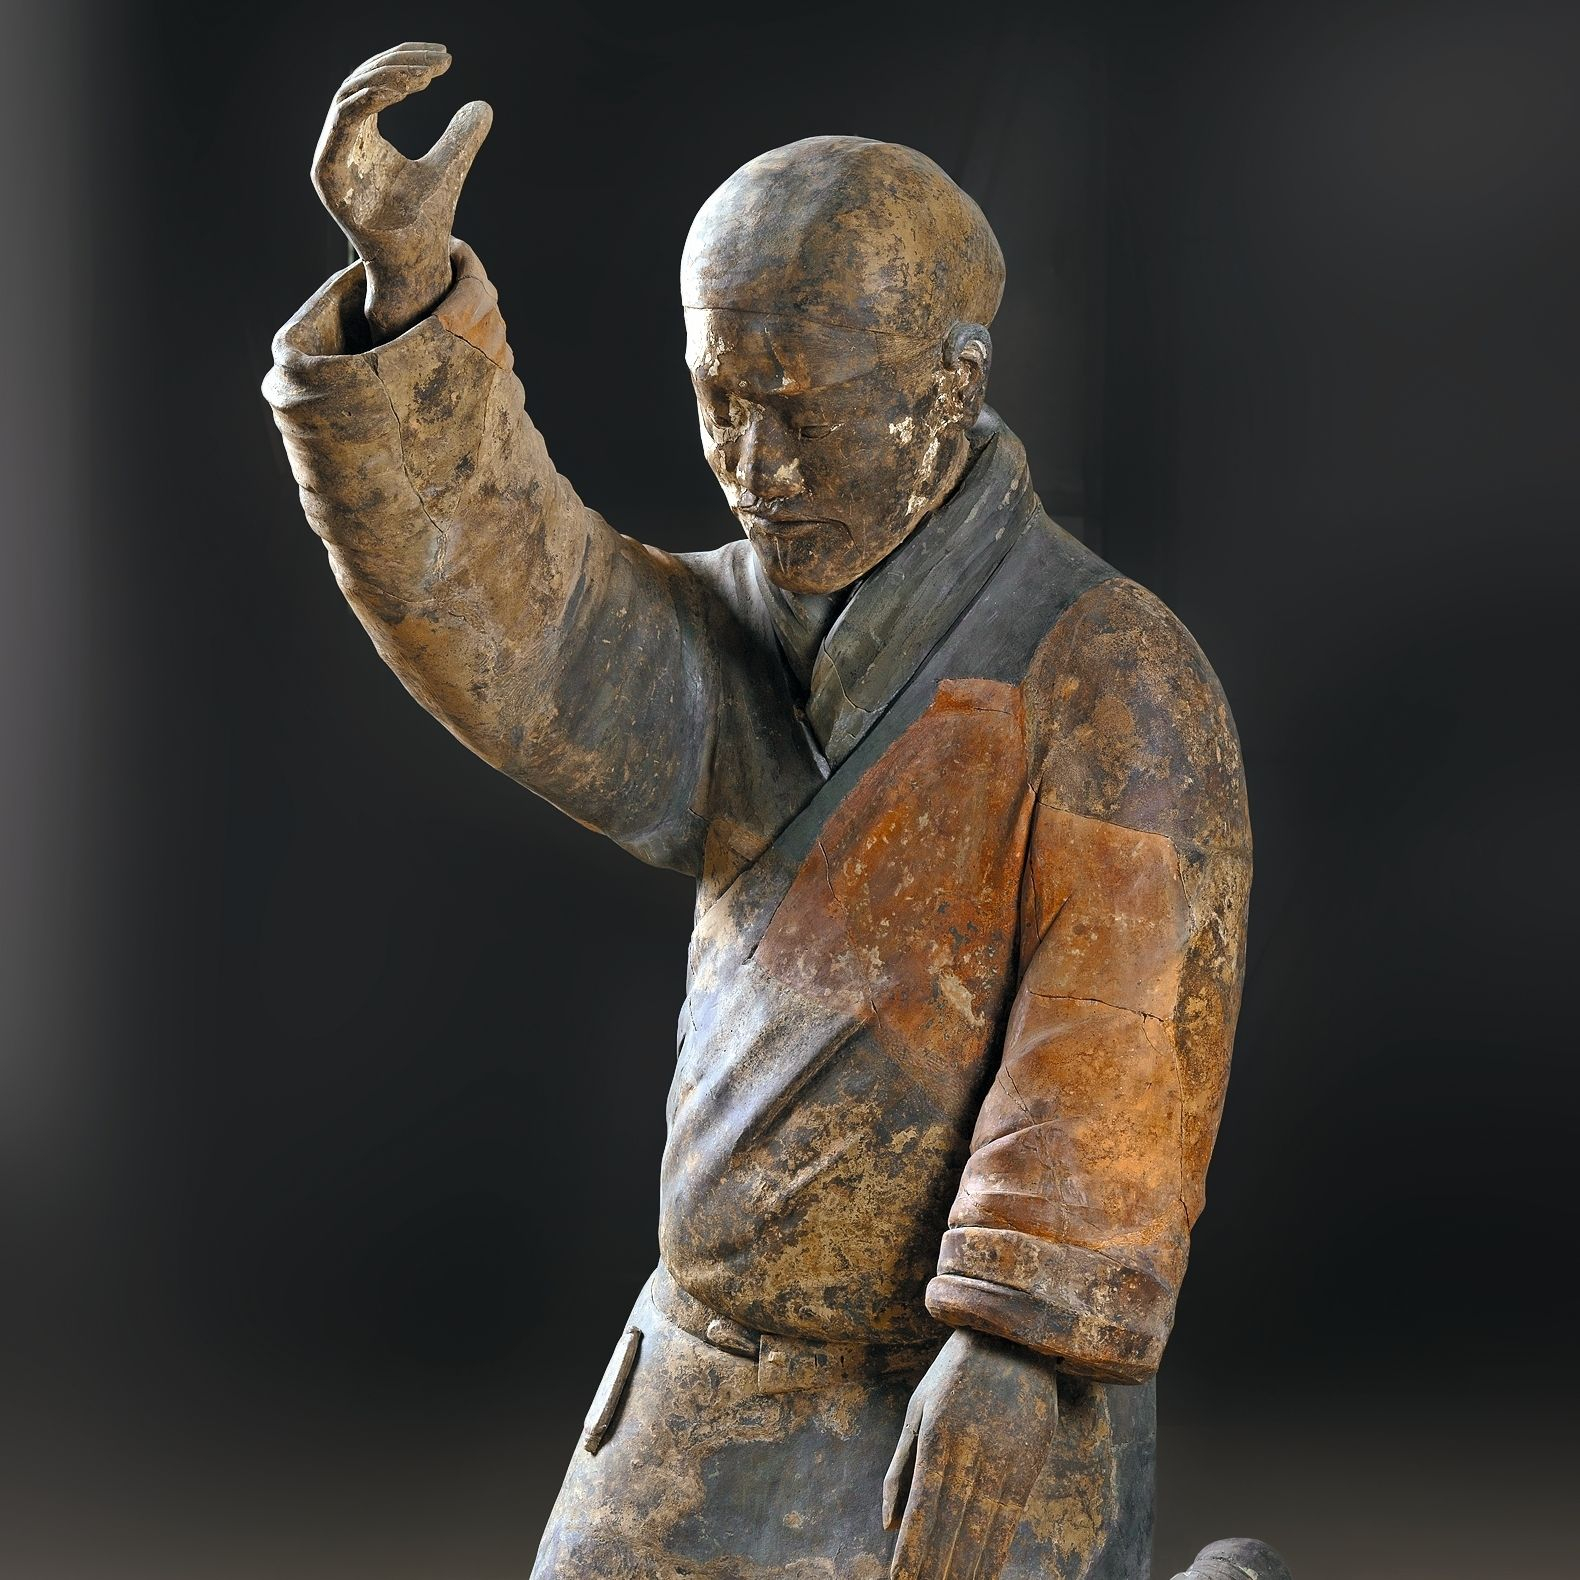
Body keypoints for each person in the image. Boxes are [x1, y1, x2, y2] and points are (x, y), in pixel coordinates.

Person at [263, 42, 1253, 1580]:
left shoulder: (1108, 667)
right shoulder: (737, 637)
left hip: (951, 1391)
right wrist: (408, 299)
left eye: (800, 413)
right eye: (720, 404)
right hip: (703, 1375)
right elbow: (520, 615)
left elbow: (1123, 1033)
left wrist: (1021, 1344)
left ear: (953, 384)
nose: (752, 465)